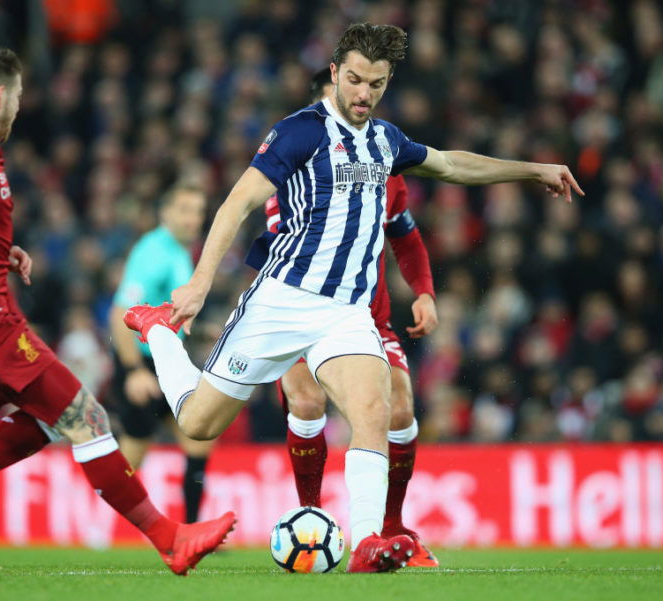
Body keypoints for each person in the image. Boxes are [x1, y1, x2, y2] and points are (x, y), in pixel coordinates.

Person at [124, 23, 582, 573]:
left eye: (377, 84)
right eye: (356, 80)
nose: (364, 94)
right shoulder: (299, 131)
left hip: (347, 312)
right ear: (336, 73)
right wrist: (200, 282)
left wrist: (531, 170)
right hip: (281, 301)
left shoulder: (386, 140)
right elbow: (236, 203)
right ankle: (157, 331)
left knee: (373, 409)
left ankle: (366, 543)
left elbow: (451, 164)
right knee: (198, 424)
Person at [0, 42, 234, 574]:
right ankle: (170, 539)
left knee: (51, 417)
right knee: (88, 415)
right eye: (18, 97)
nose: (19, 107)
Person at [263, 68, 439, 568]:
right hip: (301, 315)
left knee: (399, 412)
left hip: (368, 318)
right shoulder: (293, 170)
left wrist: (424, 292)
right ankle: (311, 515)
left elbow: (404, 234)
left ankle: (392, 527)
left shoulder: (383, 166)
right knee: (305, 400)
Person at [108, 183, 213, 524]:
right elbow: (120, 311)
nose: (193, 219)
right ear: (165, 213)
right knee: (133, 454)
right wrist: (133, 370)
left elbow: (166, 312)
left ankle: (194, 529)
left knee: (198, 437)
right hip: (143, 364)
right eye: (184, 210)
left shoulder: (180, 252)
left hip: (167, 361)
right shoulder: (153, 251)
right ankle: (92, 524)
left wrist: (204, 331)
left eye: (198, 211)